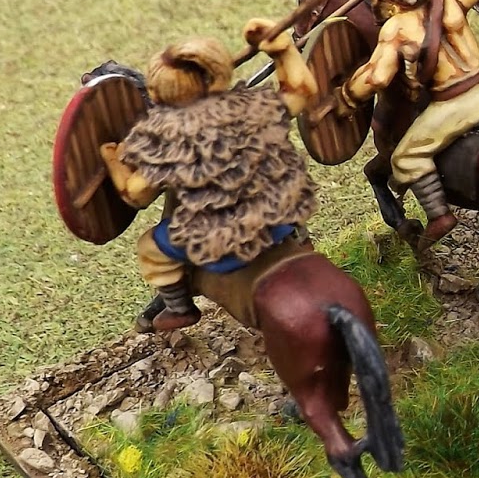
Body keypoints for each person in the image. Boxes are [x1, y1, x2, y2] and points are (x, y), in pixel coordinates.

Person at [100, 23, 319, 333]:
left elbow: (136, 194)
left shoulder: (166, 140)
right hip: (276, 221)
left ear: (157, 95)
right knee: (279, 184)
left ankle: (179, 308)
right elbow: (300, 92)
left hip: (219, 242)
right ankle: (300, 238)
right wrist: (284, 51)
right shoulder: (251, 108)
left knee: (150, 246)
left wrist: (112, 159)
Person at [339, 0, 479, 247]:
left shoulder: (397, 27)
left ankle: (439, 214)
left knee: (405, 157)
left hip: (457, 104)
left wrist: (346, 95)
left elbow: (376, 78)